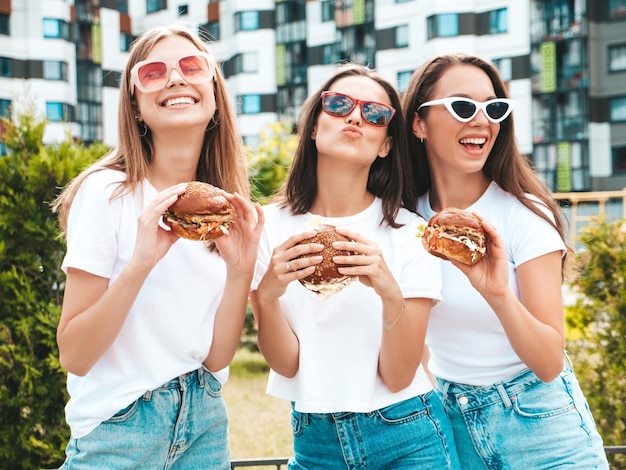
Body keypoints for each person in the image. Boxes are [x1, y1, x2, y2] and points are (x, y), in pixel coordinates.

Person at [52, 24, 263, 468]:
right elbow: (75, 354)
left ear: (214, 93)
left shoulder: (223, 212)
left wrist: (241, 271)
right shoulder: (107, 193)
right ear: (135, 104)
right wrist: (140, 264)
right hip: (119, 431)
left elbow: (216, 358)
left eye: (191, 66)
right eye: (153, 72)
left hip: (204, 424)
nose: (174, 78)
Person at [403, 52, 609, 469]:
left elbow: (550, 362)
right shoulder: (405, 220)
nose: (481, 121)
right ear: (418, 123)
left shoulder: (523, 215)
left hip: (542, 427)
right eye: (463, 106)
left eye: (493, 108)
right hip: (453, 423)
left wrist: (497, 293)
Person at [250, 63, 460, 469]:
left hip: (409, 435)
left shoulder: (410, 234)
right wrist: (270, 296)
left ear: (385, 144)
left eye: (375, 113)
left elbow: (399, 376)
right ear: (313, 127)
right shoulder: (267, 228)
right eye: (340, 103)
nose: (355, 116)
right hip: (315, 443)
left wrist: (388, 290)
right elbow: (286, 364)